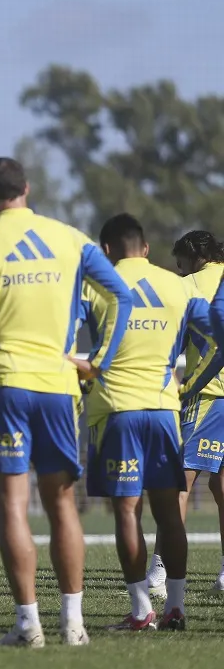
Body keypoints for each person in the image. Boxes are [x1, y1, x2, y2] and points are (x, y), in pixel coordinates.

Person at [0, 157, 132, 648]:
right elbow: (122, 296)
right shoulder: (71, 239)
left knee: (13, 506)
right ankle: (74, 624)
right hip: (59, 384)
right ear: (27, 188)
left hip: (2, 383)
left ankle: (28, 625)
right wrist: (98, 361)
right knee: (63, 504)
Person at [82, 214, 202, 631]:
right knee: (170, 513)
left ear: (107, 251)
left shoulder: (96, 285)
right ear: (146, 248)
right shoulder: (178, 285)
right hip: (165, 411)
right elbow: (214, 328)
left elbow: (67, 337)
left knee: (127, 513)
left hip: (117, 412)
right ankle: (177, 607)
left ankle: (140, 611)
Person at [149, 231, 224, 594]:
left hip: (206, 393)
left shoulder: (190, 284)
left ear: (193, 257)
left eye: (180, 264)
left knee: (179, 484)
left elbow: (172, 336)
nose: (179, 272)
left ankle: (160, 573)